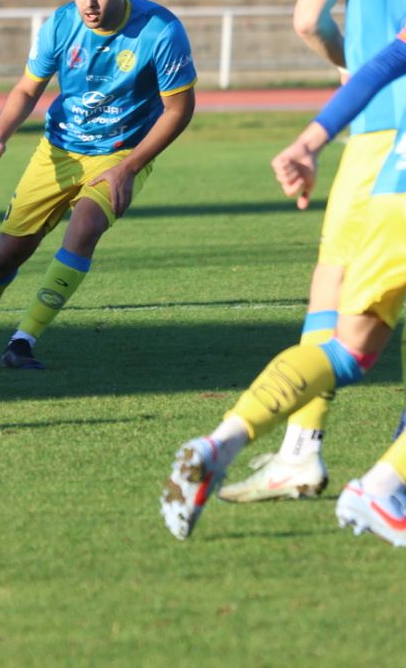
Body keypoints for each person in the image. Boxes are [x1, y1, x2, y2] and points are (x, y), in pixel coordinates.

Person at [217, 0, 406, 504]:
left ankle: (301, 449)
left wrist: (349, 72)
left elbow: (308, 19)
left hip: (374, 128)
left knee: (335, 296)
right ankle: (389, 477)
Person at [162, 29, 406, 543]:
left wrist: (310, 140)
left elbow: (382, 65)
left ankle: (219, 445)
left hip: (393, 191)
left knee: (348, 353)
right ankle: (381, 486)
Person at [0, 0, 197, 371]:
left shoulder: (160, 31)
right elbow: (29, 88)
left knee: (84, 227)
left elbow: (180, 108)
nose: (90, 1)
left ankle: (23, 341)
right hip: (58, 150)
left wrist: (129, 166)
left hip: (120, 154)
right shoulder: (59, 25)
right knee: (4, 256)